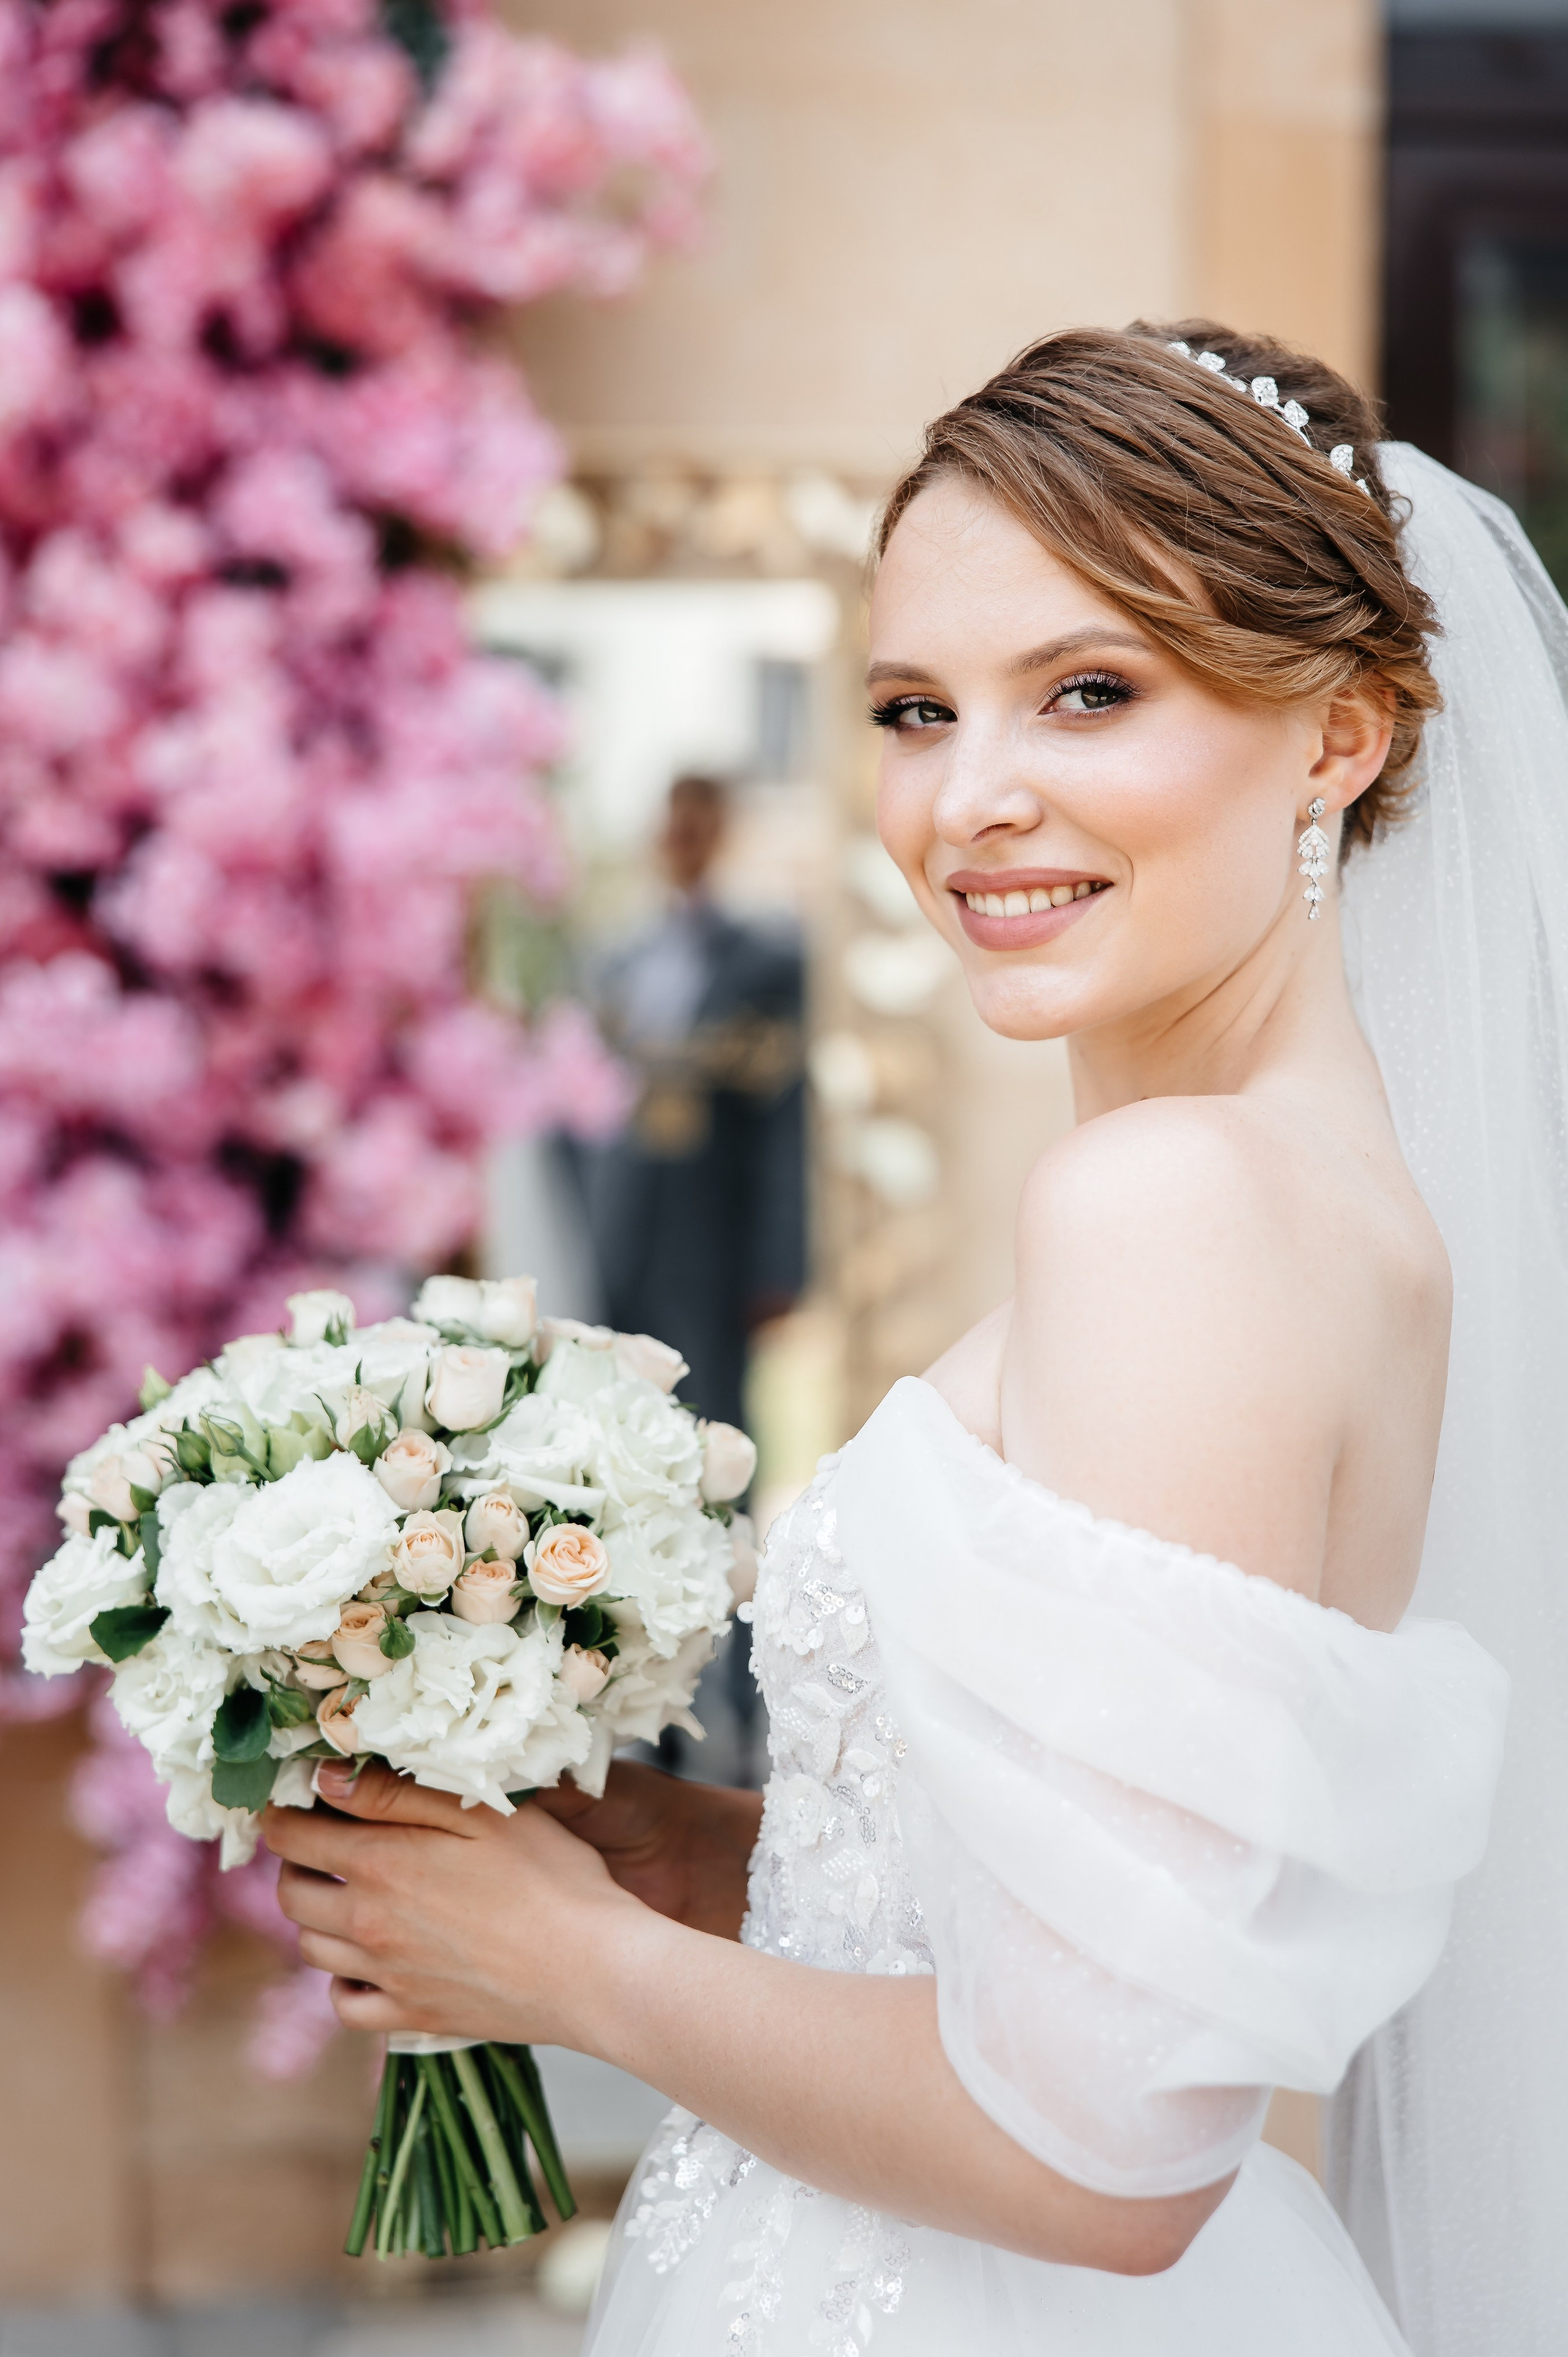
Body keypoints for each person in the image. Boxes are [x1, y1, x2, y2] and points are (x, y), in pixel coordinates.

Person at [263, 322, 1568, 2356]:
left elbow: (1107, 2158)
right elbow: (1112, 1919)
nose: (973, 800)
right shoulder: (1305, 1192)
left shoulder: (1176, 1212)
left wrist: (561, 1966)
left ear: (1345, 734)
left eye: (1091, 691)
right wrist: (702, 1858)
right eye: (911, 707)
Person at [580, 772, 806, 1436]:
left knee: (713, 1414)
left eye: (698, 822)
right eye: (673, 821)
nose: (682, 838)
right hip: (621, 1218)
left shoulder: (770, 960)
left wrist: (781, 1263)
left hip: (714, 1234)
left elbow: (785, 1121)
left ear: (723, 833)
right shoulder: (618, 957)